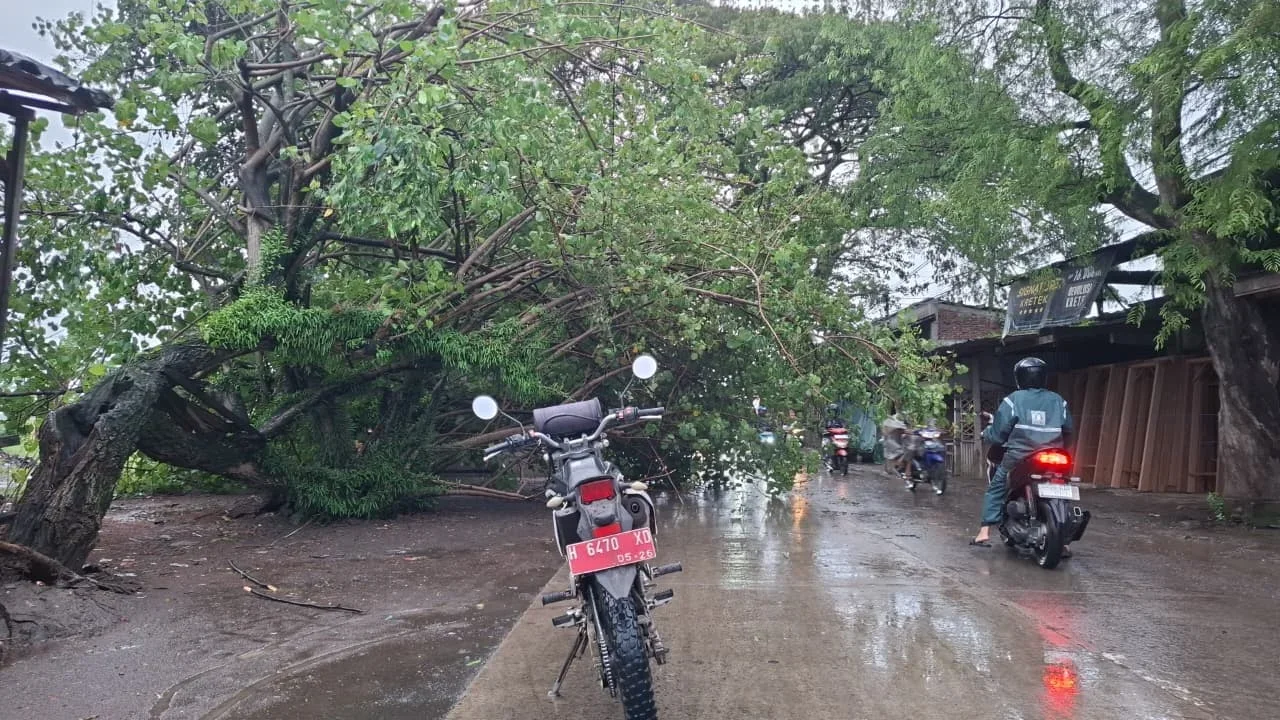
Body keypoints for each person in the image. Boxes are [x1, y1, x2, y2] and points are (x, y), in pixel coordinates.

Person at [971, 357, 1075, 553]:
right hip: (1056, 455)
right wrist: (1062, 448)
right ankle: (1065, 541)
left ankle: (984, 532)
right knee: (1062, 485)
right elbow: (1068, 430)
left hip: (1020, 455)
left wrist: (986, 434)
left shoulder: (1013, 400)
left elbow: (1000, 433)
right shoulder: (1058, 400)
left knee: (997, 486)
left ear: (1019, 377)